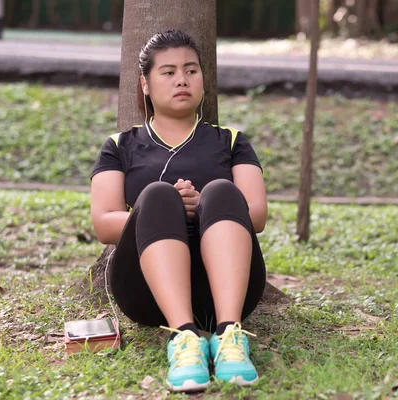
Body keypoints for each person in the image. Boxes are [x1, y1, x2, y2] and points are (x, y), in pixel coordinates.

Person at [90, 30, 267, 392]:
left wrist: (202, 206)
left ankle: (230, 337)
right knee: (157, 195)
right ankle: (184, 337)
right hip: (146, 291)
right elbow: (104, 223)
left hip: (225, 293)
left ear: (203, 79)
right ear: (145, 83)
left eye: (191, 70)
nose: (182, 79)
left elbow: (257, 215)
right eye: (168, 72)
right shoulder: (120, 146)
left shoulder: (231, 141)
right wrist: (165, 211)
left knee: (220, 191)